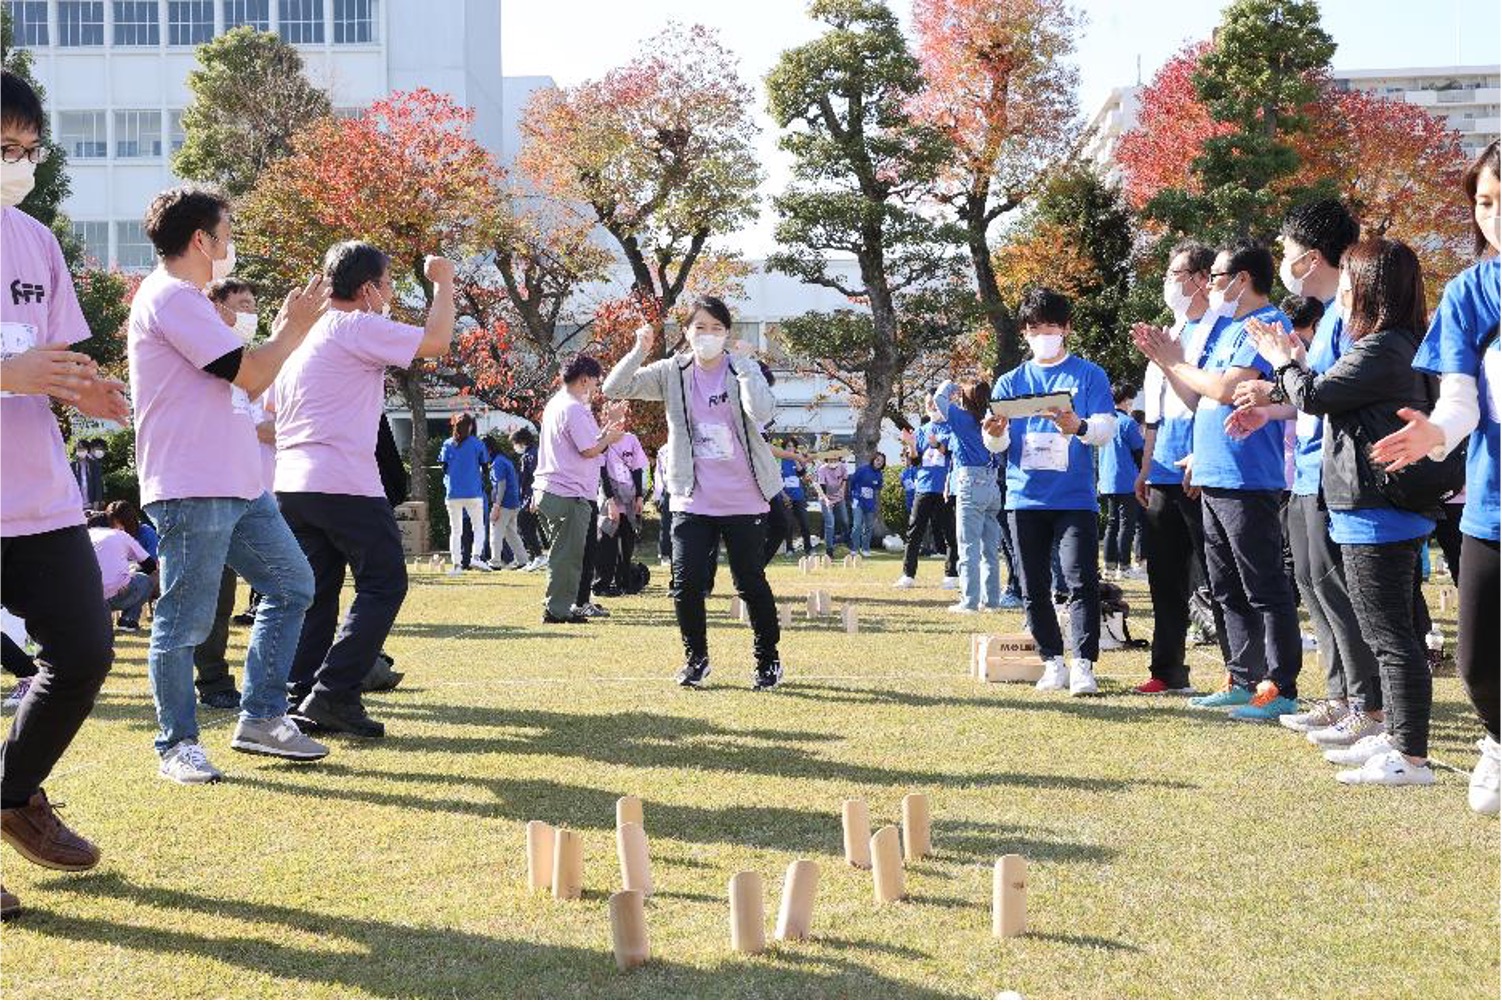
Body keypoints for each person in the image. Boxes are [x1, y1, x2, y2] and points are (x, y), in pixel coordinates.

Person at [129, 184, 329, 782]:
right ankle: (177, 745)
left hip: (238, 485)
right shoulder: (170, 297)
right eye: (228, 231)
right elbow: (249, 372)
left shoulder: (185, 299)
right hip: (191, 485)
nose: (232, 242)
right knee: (185, 621)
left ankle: (262, 718)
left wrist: (288, 331)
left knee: (292, 585)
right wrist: (293, 328)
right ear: (201, 239)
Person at [0, 69, 131, 918]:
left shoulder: (33, 241)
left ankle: (14, 797)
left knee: (83, 653)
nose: (14, 164)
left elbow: (60, 361)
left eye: (24, 150)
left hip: (36, 496)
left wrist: (89, 392)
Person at [1243, 237, 1440, 787]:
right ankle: (1394, 737)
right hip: (1367, 506)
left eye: (1352, 284)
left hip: (1379, 509)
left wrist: (1283, 360)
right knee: (1387, 633)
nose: (1344, 294)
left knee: (1391, 637)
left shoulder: (1383, 347)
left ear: (1373, 289)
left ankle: (1410, 755)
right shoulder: (1389, 343)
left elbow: (1314, 397)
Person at [271, 242, 456, 739]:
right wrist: (442, 280)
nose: (391, 293)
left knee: (319, 593)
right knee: (384, 583)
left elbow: (266, 414)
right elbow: (437, 341)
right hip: (342, 481)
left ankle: (302, 692)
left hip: (292, 483)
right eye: (389, 283)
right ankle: (333, 694)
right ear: (369, 288)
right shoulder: (355, 325)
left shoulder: (305, 337)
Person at [1372, 139, 1500, 813]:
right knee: (1478, 664)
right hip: (1492, 508)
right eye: (1485, 203)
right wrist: (1437, 432)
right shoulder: (1474, 290)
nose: (1495, 217)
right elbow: (1460, 396)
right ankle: (1498, 740)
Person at [1231, 201, 1382, 744]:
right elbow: (1311, 394)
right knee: (1312, 587)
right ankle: (1339, 696)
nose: (1285, 261)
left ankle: (1368, 704)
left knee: (1335, 590)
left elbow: (1330, 392)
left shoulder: (1352, 307)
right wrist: (1271, 404)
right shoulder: (1328, 315)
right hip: (1307, 470)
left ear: (1313, 257)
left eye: (1289, 252)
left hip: (1332, 471)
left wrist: (1280, 368)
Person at [1135, 241, 1303, 720]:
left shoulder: (1269, 324)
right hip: (1212, 471)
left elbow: (1228, 390)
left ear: (1243, 279)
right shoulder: (1230, 329)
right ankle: (1242, 675)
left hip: (1247, 475)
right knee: (1225, 584)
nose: (1210, 285)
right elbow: (1202, 399)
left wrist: (1176, 361)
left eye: (1216, 276)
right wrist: (1171, 363)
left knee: (1263, 583)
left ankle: (1279, 684)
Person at [603, 297, 785, 690]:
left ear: (727, 334)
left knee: (749, 582)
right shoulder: (672, 372)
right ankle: (696, 659)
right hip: (691, 495)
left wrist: (747, 366)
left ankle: (767, 660)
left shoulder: (740, 369)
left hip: (743, 495)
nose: (707, 336)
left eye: (716, 329)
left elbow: (762, 412)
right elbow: (614, 387)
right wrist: (639, 350)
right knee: (686, 583)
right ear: (686, 332)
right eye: (699, 327)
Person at [989, 288, 1115, 695]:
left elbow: (1104, 430)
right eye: (1033, 327)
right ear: (1024, 332)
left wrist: (1077, 426)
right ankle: (1052, 661)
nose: (1042, 333)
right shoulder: (1011, 381)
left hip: (1074, 497)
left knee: (1081, 581)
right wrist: (993, 434)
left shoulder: (1089, 374)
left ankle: (1083, 664)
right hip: (1024, 497)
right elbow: (998, 445)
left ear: (1066, 329)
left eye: (1050, 326)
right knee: (1033, 586)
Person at [1131, 242, 1229, 695]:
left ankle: (1241, 671)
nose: (1169, 283)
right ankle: (1167, 670)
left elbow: (1210, 400)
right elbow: (1155, 414)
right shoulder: (1167, 332)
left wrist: (1204, 459)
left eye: (1175, 273)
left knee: (1218, 577)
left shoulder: (1219, 331)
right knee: (1164, 578)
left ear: (1201, 278)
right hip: (1164, 475)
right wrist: (1146, 468)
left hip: (1203, 470)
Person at [533, 355, 625, 624]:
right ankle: (557, 610)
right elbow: (589, 449)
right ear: (584, 379)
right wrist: (610, 437)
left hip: (560, 490)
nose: (596, 388)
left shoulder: (559, 404)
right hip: (567, 492)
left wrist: (608, 428)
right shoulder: (572, 407)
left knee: (569, 555)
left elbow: (590, 442)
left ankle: (563, 606)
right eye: (595, 382)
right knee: (567, 556)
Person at [933, 379, 1007, 613]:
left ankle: (970, 601)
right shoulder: (992, 419)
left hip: (970, 483)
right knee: (990, 549)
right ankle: (992, 600)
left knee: (968, 546)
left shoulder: (961, 419)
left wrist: (949, 384)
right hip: (992, 483)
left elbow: (938, 400)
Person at [894, 403, 959, 588]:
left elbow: (955, 454)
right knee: (914, 531)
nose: (931, 406)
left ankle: (951, 574)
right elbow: (915, 461)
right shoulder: (922, 429)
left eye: (935, 403)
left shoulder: (952, 427)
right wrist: (912, 444)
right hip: (923, 487)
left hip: (945, 488)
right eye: (928, 403)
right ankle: (908, 574)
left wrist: (937, 445)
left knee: (950, 532)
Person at [595, 416, 648, 595]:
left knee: (627, 543)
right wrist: (610, 501)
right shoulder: (601, 441)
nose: (619, 424)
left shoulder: (632, 439)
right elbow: (601, 473)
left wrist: (640, 496)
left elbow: (638, 468)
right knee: (607, 542)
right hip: (610, 497)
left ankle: (625, 582)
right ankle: (602, 584)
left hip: (629, 497)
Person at [1097, 381, 1144, 581]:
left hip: (1107, 479)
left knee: (1112, 523)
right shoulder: (1128, 423)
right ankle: (1124, 566)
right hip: (1126, 479)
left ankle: (1109, 566)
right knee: (1127, 524)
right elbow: (1139, 452)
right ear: (1125, 400)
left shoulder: (1104, 421)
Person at [437, 413, 490, 574]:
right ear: (471, 426)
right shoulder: (477, 444)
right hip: (473, 492)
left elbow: (443, 468)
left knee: (456, 530)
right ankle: (476, 557)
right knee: (478, 527)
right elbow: (485, 467)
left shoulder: (447, 444)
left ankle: (457, 565)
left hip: (453, 493)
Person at [86, 512, 155, 632]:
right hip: (116, 594)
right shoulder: (120, 535)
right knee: (145, 579)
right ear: (112, 523)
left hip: (85, 598)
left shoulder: (80, 538)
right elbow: (150, 565)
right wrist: (130, 572)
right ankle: (128, 620)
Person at [486, 438, 529, 570]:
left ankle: (495, 562)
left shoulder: (498, 462)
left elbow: (501, 485)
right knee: (511, 533)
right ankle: (523, 560)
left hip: (504, 503)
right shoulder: (504, 460)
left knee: (495, 532)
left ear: (488, 449)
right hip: (513, 502)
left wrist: (496, 506)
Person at [509, 427, 547, 571]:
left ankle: (538, 556)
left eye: (515, 443)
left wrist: (531, 497)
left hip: (530, 496)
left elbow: (531, 478)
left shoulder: (530, 455)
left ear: (522, 441)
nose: (515, 447)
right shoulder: (534, 453)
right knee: (530, 527)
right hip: (531, 495)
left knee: (524, 525)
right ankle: (534, 557)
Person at [773, 437, 814, 558]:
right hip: (786, 497)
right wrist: (783, 495)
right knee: (788, 523)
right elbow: (776, 480)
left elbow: (802, 473)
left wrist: (796, 458)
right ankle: (789, 548)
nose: (791, 449)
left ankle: (808, 548)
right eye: (788, 447)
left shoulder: (797, 460)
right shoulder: (779, 461)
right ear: (784, 448)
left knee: (805, 523)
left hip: (799, 497)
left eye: (793, 447)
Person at [849, 452, 886, 558]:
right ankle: (854, 548)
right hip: (858, 501)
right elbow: (852, 482)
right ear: (873, 460)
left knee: (869, 527)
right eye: (878, 460)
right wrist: (852, 497)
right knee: (857, 525)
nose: (879, 462)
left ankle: (865, 548)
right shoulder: (862, 470)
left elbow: (878, 487)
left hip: (869, 503)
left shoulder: (879, 474)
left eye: (881, 461)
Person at [814, 453, 850, 556]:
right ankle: (829, 550)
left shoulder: (842, 467)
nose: (833, 462)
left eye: (835, 460)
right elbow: (821, 486)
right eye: (831, 460)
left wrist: (842, 490)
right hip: (825, 498)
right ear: (827, 459)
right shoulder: (822, 469)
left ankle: (845, 541)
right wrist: (826, 500)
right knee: (830, 524)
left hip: (839, 498)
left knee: (845, 520)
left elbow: (844, 479)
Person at [71, 438, 105, 510]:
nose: (81, 451)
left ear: (87, 450)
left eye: (83, 448)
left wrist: (97, 501)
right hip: (77, 505)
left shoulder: (94, 464)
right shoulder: (72, 466)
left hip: (91, 504)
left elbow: (98, 483)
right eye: (79, 449)